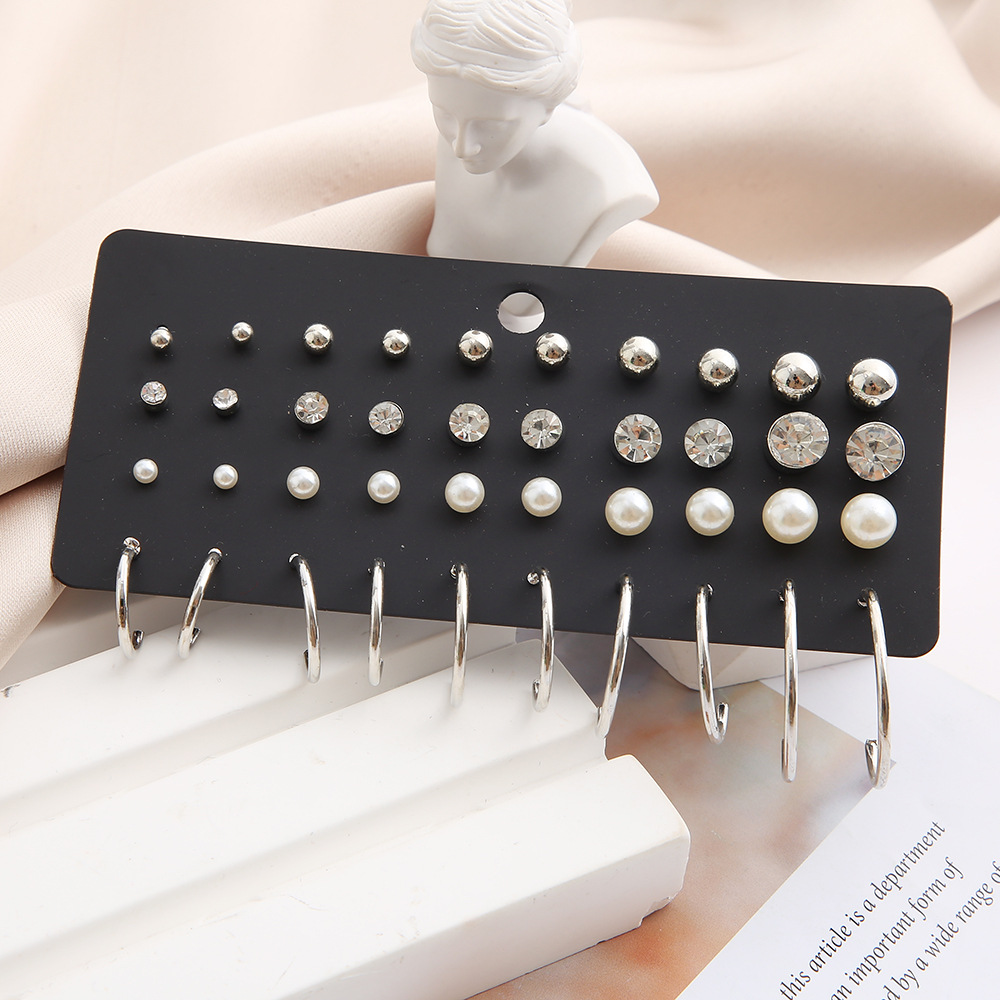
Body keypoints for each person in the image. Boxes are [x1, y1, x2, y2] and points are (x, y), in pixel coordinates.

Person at [412, 0, 658, 266]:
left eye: (492, 125)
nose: (461, 147)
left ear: (550, 104)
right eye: (444, 113)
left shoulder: (606, 186)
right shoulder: (457, 139)